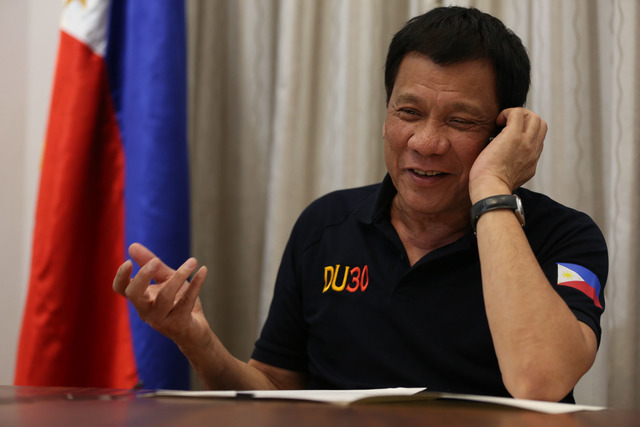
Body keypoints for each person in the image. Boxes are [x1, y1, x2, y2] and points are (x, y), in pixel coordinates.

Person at [113, 6, 607, 403]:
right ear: (387, 112)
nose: (426, 142)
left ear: (504, 131)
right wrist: (196, 341)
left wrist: (494, 188)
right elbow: (277, 394)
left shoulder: (564, 235)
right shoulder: (325, 226)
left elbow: (541, 383)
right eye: (408, 112)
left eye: (461, 122)